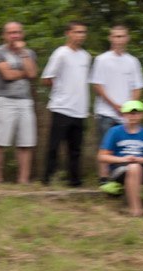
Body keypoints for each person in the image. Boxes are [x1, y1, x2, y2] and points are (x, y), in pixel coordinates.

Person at [90, 25, 143, 186]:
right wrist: (114, 105)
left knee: (125, 147)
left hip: (126, 115)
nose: (118, 40)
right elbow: (97, 85)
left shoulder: (133, 61)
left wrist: (130, 108)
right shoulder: (101, 59)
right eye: (115, 36)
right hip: (106, 112)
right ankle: (103, 179)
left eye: (122, 36)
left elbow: (137, 87)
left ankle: (121, 180)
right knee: (105, 146)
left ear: (127, 38)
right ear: (110, 38)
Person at [40, 21, 92, 187]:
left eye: (83, 32)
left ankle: (74, 180)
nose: (80, 35)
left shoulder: (86, 56)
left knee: (75, 148)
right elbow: (46, 78)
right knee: (54, 145)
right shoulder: (61, 53)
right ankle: (48, 178)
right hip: (62, 106)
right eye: (77, 32)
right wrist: (61, 89)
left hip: (80, 109)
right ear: (68, 33)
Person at [98, 100, 143, 217]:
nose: (133, 116)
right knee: (134, 167)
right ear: (124, 115)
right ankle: (136, 211)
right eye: (130, 113)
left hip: (140, 164)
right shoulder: (115, 131)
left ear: (142, 115)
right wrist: (124, 159)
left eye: (136, 113)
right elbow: (102, 157)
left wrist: (142, 160)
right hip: (120, 168)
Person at [0, 21, 38, 184]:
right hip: (4, 99)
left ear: (22, 34)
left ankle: (23, 180)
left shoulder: (28, 53)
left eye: (17, 32)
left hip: (25, 101)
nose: (14, 36)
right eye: (11, 33)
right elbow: (7, 75)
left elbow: (33, 73)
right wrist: (24, 72)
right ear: (4, 35)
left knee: (26, 142)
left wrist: (23, 54)